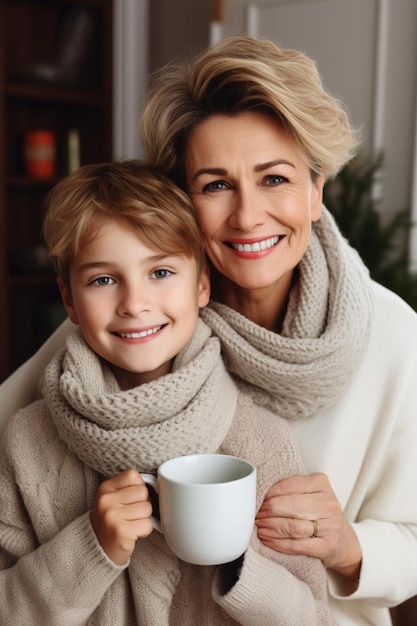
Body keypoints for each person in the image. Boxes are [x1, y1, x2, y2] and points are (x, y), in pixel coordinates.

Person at [1, 35, 417, 626]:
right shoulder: (142, 317)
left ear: (316, 188)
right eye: (216, 185)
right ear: (183, 199)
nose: (248, 216)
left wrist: (350, 548)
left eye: (274, 178)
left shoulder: (394, 337)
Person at [0, 160, 335, 625]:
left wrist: (240, 566)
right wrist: (90, 547)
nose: (134, 304)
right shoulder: (26, 442)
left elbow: (314, 619)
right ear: (70, 301)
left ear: (201, 285)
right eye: (103, 280)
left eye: (160, 272)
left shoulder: (261, 442)